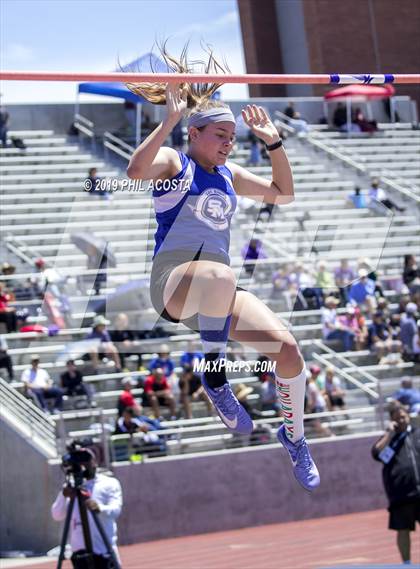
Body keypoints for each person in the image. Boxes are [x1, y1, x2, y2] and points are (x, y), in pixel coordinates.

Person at [126, 44, 319, 491]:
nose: (229, 144)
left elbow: (282, 193)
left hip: (216, 293)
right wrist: (169, 121)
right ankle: (215, 375)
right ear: (195, 135)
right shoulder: (178, 162)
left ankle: (294, 436)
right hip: (174, 283)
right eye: (220, 136)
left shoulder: (230, 175)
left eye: (233, 138)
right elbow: (135, 171)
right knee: (219, 273)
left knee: (289, 352)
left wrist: (272, 141)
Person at [51, 447, 122, 568]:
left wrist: (99, 508)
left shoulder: (109, 483)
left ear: (94, 462)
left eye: (85, 460)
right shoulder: (70, 487)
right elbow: (57, 515)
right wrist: (64, 496)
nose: (82, 464)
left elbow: (115, 511)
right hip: (80, 556)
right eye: (78, 461)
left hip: (104, 552)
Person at [371, 403, 420, 565]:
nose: (401, 420)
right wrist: (389, 433)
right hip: (401, 494)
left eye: (404, 416)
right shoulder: (390, 440)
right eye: (397, 418)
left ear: (409, 416)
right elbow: (376, 453)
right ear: (392, 420)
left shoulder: (417, 434)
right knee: (403, 530)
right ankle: (407, 564)